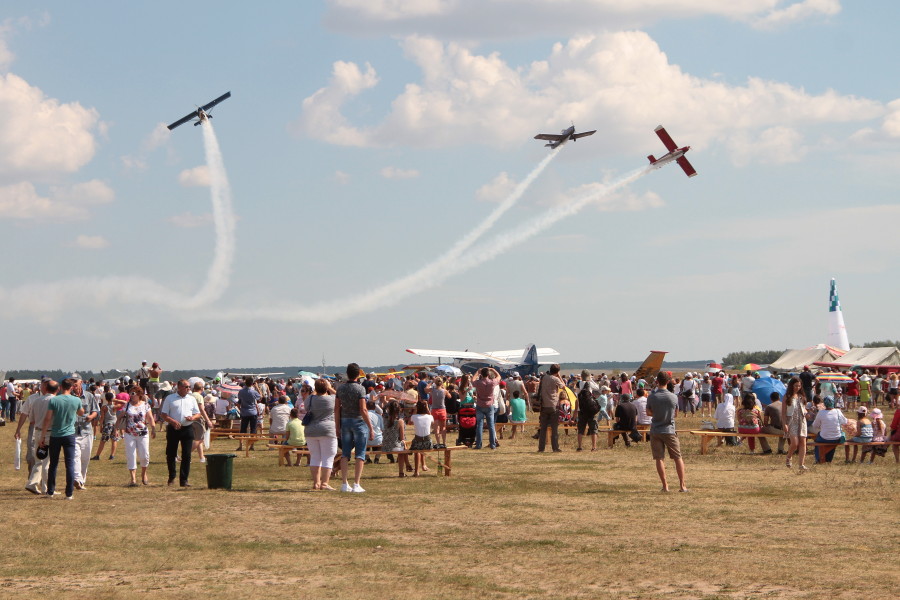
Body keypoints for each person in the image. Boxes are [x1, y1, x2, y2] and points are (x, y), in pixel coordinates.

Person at [39, 378, 84, 499]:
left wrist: (42, 436)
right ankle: (69, 493)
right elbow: (81, 413)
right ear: (71, 387)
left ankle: (50, 491)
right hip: (69, 435)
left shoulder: (54, 400)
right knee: (69, 464)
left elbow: (47, 419)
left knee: (53, 464)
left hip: (55, 434)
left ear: (61, 387)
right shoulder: (76, 400)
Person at [335, 363, 374, 493]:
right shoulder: (360, 389)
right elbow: (363, 409)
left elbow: (336, 409)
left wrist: (337, 426)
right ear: (358, 374)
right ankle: (356, 484)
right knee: (360, 454)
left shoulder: (340, 389)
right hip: (358, 421)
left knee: (345, 454)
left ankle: (344, 483)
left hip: (345, 421)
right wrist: (370, 427)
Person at [646, 371, 687, 492]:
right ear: (668, 382)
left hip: (656, 429)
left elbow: (648, 412)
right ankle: (682, 485)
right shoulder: (673, 397)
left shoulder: (652, 396)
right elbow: (675, 413)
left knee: (659, 458)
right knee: (677, 457)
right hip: (669, 429)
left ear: (657, 381)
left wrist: (657, 413)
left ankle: (665, 486)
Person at [160, 379, 201, 487]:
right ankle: (171, 477)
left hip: (187, 428)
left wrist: (192, 417)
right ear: (179, 387)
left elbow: (198, 413)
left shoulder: (191, 399)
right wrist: (173, 421)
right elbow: (163, 414)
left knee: (187, 455)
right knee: (171, 453)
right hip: (173, 429)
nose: (189, 389)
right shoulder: (170, 398)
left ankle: (184, 480)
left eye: (189, 387)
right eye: (186, 387)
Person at [21, 379, 57, 494]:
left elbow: (31, 419)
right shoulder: (55, 401)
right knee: (47, 462)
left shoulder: (36, 401)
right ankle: (47, 488)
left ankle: (32, 483)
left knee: (39, 460)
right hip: (49, 433)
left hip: (36, 431)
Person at [304, 378, 337, 490]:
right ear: (326, 388)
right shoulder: (331, 399)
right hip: (327, 429)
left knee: (315, 457)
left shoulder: (310, 399)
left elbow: (308, 402)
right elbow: (339, 397)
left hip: (311, 430)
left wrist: (315, 389)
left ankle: (316, 483)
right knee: (328, 457)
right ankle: (324, 483)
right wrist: (329, 387)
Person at [120, 385, 156, 486]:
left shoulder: (145, 405)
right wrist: (116, 429)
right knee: (131, 455)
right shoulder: (127, 405)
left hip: (143, 433)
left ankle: (144, 474)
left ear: (139, 394)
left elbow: (150, 417)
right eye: (130, 393)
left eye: (133, 393)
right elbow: (120, 417)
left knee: (145, 455)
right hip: (129, 433)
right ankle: (133, 478)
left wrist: (153, 428)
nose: (131, 395)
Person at [69, 373, 99, 491]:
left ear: (81, 382)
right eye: (72, 382)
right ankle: (77, 479)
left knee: (85, 458)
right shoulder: (68, 396)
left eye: (75, 381)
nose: (74, 384)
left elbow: (96, 410)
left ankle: (82, 480)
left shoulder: (89, 396)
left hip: (87, 430)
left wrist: (91, 417)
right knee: (75, 455)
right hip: (73, 431)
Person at [535, 364, 565, 453]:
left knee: (543, 428)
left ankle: (541, 448)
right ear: (557, 371)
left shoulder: (544, 378)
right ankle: (555, 448)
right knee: (554, 428)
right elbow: (563, 386)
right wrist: (559, 376)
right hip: (553, 405)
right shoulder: (555, 379)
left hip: (544, 405)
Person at [781, 377, 808, 471]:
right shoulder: (787, 397)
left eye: (799, 386)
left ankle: (801, 464)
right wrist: (784, 424)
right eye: (796, 385)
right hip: (791, 420)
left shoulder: (802, 396)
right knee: (795, 443)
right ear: (791, 385)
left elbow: (804, 408)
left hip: (802, 420)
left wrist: (807, 412)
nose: (797, 387)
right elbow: (783, 412)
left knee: (803, 442)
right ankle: (789, 456)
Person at [811, 397, 847, 464]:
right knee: (831, 443)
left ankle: (819, 458)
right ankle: (828, 459)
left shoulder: (821, 413)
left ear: (824, 404)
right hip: (837, 437)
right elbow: (845, 421)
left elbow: (815, 425)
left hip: (824, 437)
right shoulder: (838, 411)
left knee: (817, 441)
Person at [472, 367, 501, 450]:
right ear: (488, 374)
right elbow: (499, 376)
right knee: (491, 425)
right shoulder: (492, 382)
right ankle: (492, 444)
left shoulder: (478, 383)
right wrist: (493, 370)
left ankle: (478, 445)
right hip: (490, 405)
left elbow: (472, 380)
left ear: (481, 374)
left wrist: (478, 372)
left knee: (479, 425)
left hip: (480, 405)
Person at [92, 392, 120, 461]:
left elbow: (102, 418)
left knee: (103, 441)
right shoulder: (115, 406)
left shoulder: (104, 407)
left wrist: (101, 426)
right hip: (115, 424)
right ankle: (112, 455)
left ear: (106, 399)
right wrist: (115, 400)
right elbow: (125, 402)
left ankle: (97, 455)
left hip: (108, 425)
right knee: (114, 440)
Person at [409, 399, 434, 476]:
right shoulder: (429, 417)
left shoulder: (414, 417)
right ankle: (423, 465)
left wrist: (415, 410)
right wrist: (427, 408)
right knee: (421, 446)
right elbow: (432, 421)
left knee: (417, 447)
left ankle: (416, 471)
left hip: (418, 441)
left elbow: (409, 423)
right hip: (428, 443)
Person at [575, 380, 600, 451]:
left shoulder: (578, 383)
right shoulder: (589, 383)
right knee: (593, 429)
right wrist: (591, 379)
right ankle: (594, 447)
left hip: (581, 409)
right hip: (590, 409)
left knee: (580, 429)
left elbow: (577, 394)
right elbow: (597, 387)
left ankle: (579, 447)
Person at [236, 377, 260, 450]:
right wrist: (257, 387)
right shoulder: (254, 392)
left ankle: (241, 445)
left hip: (244, 412)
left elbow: (240, 399)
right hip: (253, 412)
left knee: (243, 429)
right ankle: (251, 446)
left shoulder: (241, 391)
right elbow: (260, 397)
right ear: (252, 383)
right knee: (253, 429)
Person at [428, 376, 448, 448]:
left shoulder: (432, 390)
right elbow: (449, 396)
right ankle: (444, 442)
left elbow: (425, 389)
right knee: (443, 427)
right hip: (442, 409)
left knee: (436, 428)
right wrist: (443, 387)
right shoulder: (444, 391)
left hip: (434, 410)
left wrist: (431, 382)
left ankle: (438, 443)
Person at [365, 399, 384, 464]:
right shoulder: (379, 416)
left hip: (366, 439)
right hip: (378, 439)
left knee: (361, 445)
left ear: (366, 406)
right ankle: (377, 458)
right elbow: (382, 428)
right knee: (381, 445)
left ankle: (367, 459)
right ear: (375, 407)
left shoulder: (363, 415)